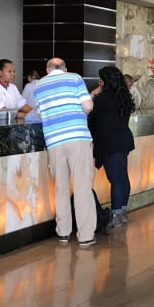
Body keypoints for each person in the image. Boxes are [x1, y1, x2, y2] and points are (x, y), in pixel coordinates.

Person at [30, 58, 97, 248]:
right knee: (82, 186)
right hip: (77, 137)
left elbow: (40, 113)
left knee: (60, 187)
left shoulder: (38, 86)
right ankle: (85, 236)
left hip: (54, 140)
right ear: (65, 68)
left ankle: (63, 232)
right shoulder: (74, 78)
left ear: (47, 70)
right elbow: (88, 106)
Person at [88, 66, 136, 230]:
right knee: (122, 177)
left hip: (109, 142)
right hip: (123, 140)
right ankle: (122, 211)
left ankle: (116, 215)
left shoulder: (102, 99)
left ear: (105, 81)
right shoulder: (124, 96)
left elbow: (92, 118)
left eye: (101, 80)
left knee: (115, 180)